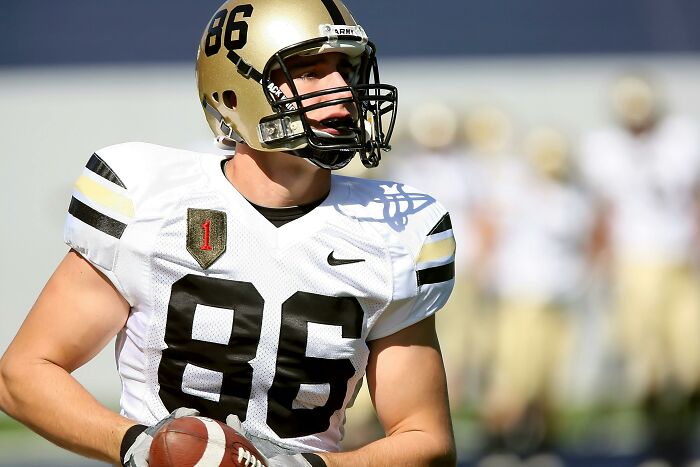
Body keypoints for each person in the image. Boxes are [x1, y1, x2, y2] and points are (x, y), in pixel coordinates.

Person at [0, 1, 457, 466]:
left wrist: (312, 466)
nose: (341, 89)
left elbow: (425, 436)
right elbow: (24, 374)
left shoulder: (395, 231)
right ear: (236, 91)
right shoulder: (150, 198)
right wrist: (140, 445)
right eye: (310, 71)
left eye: (345, 69)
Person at [580, 73, 700, 467]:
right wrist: (595, 265)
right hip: (634, 264)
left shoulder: (681, 139)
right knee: (646, 365)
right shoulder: (604, 148)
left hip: (681, 262)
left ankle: (681, 435)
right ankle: (658, 441)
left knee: (690, 360)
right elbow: (603, 213)